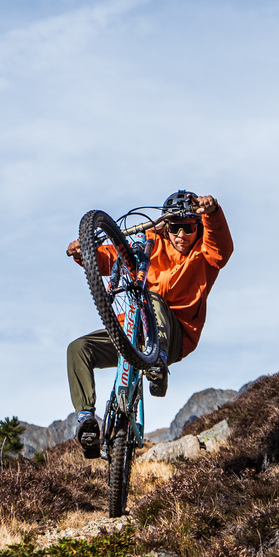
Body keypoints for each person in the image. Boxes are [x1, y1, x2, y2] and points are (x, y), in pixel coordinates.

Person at [65, 190, 233, 458]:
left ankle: (158, 365)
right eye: (176, 228)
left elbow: (222, 248)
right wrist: (84, 252)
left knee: (151, 298)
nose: (182, 236)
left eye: (189, 228)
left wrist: (212, 213)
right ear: (167, 227)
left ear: (197, 227)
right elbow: (111, 257)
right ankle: (86, 421)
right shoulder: (150, 243)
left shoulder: (204, 253)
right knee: (78, 349)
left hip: (175, 335)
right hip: (134, 329)